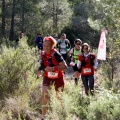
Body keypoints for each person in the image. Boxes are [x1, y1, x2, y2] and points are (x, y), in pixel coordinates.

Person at [37, 36, 67, 119]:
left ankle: (62, 115)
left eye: (48, 46)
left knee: (59, 97)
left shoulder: (56, 54)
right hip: (48, 77)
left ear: (52, 46)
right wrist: (40, 70)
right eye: (44, 46)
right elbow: (43, 64)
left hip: (58, 77)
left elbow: (65, 66)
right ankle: (44, 117)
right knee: (44, 95)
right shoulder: (42, 53)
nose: (46, 48)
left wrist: (53, 68)